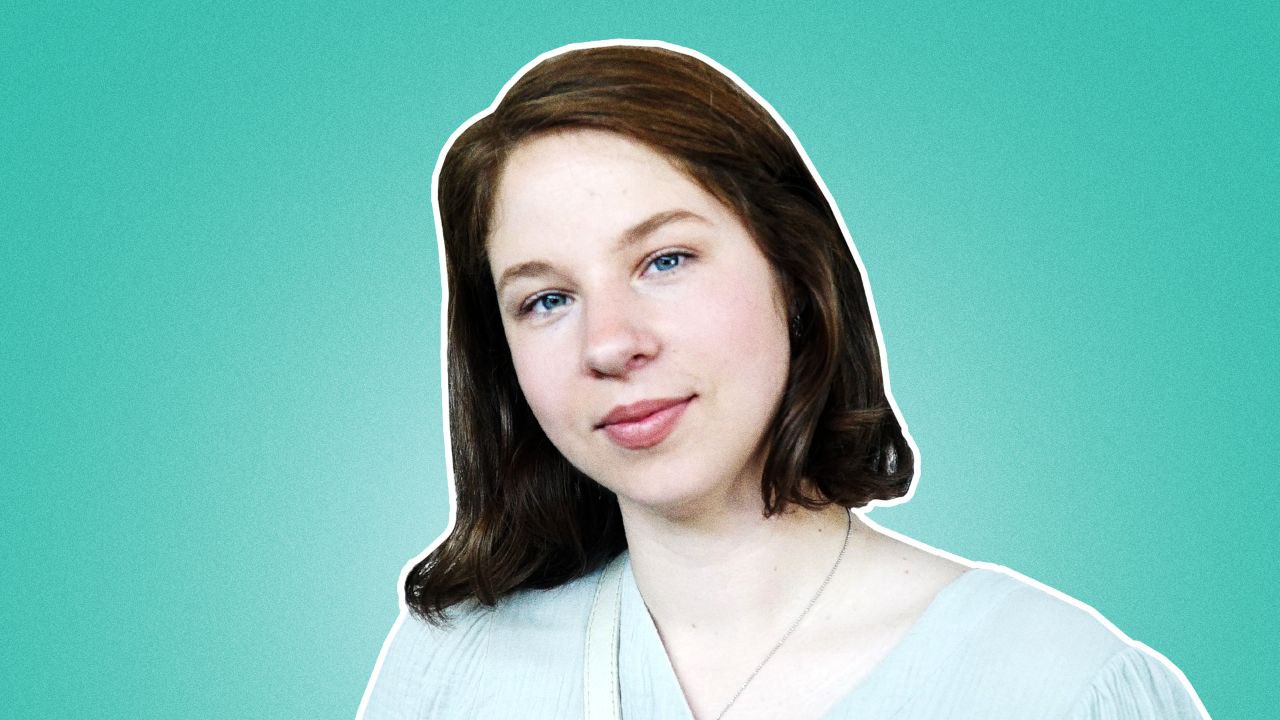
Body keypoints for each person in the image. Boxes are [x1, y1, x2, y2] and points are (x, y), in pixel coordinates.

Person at [359, 42, 1206, 720]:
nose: (610, 343)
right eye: (546, 300)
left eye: (665, 260)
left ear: (796, 275)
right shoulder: (452, 670)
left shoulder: (1054, 685)